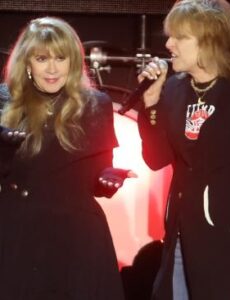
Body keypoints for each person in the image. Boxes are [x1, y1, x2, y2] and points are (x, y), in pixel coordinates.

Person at [137, 0, 230, 299]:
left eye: (179, 36)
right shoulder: (174, 89)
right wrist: (150, 105)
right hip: (180, 235)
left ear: (208, 41)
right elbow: (156, 159)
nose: (169, 43)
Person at [0, 16, 136, 299]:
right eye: (41, 58)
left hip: (76, 239)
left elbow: (97, 183)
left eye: (60, 58)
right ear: (27, 63)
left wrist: (108, 178)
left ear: (73, 62)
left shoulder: (95, 104)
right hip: (18, 235)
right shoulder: (5, 100)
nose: (52, 68)